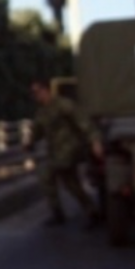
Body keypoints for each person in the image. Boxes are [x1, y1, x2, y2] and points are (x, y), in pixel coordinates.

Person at [27, 80, 104, 227]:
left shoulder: (64, 105)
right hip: (56, 153)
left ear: (46, 90)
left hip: (70, 150)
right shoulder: (42, 112)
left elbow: (83, 122)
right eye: (33, 94)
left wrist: (95, 140)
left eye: (37, 92)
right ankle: (64, 212)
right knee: (61, 181)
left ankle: (87, 212)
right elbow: (37, 130)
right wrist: (29, 143)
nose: (35, 96)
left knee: (59, 179)